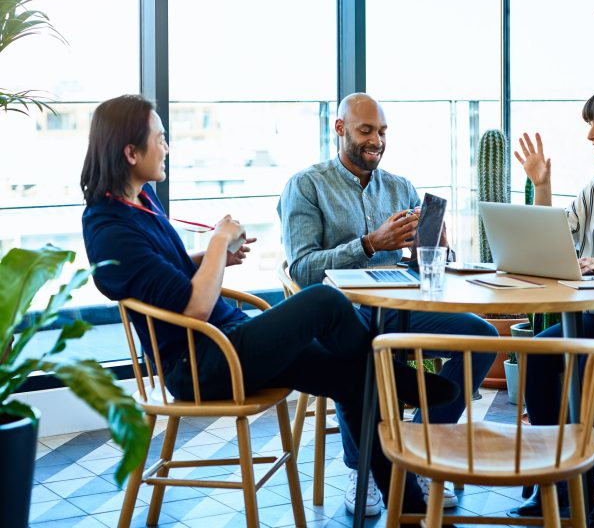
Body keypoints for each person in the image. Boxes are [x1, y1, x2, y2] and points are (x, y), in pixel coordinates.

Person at [80, 94, 460, 520]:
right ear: (131, 152)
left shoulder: (142, 203)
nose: (167, 148)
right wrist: (219, 241)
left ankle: (404, 506)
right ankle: (395, 379)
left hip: (229, 340)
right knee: (322, 300)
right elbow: (193, 309)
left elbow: (162, 276)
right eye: (160, 139)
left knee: (355, 378)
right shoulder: (109, 227)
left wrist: (209, 260)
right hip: (201, 363)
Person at [278, 92, 498, 516]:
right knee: (356, 348)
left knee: (481, 336)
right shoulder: (305, 186)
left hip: (402, 307)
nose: (376, 140)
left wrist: (437, 250)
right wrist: (368, 244)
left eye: (381, 131)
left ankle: (417, 450)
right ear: (339, 129)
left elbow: (425, 265)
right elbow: (303, 268)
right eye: (365, 131)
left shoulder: (400, 187)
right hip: (340, 315)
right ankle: (363, 469)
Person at [510, 91, 594, 520]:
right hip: (593, 317)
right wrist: (541, 186)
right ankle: (562, 485)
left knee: (585, 363)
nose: (591, 135)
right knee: (542, 356)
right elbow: (556, 239)